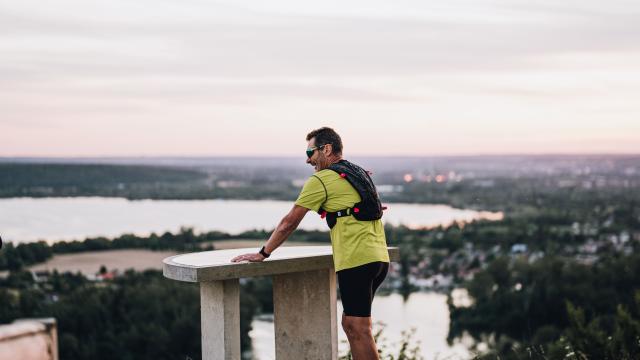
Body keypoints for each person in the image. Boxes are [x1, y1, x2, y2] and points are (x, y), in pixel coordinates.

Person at [231, 127, 390, 359]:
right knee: (351, 324)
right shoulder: (357, 172)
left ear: (326, 149)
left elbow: (289, 222)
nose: (308, 160)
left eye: (310, 152)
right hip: (377, 258)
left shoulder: (322, 179)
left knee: (358, 329)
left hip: (357, 259)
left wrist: (263, 253)